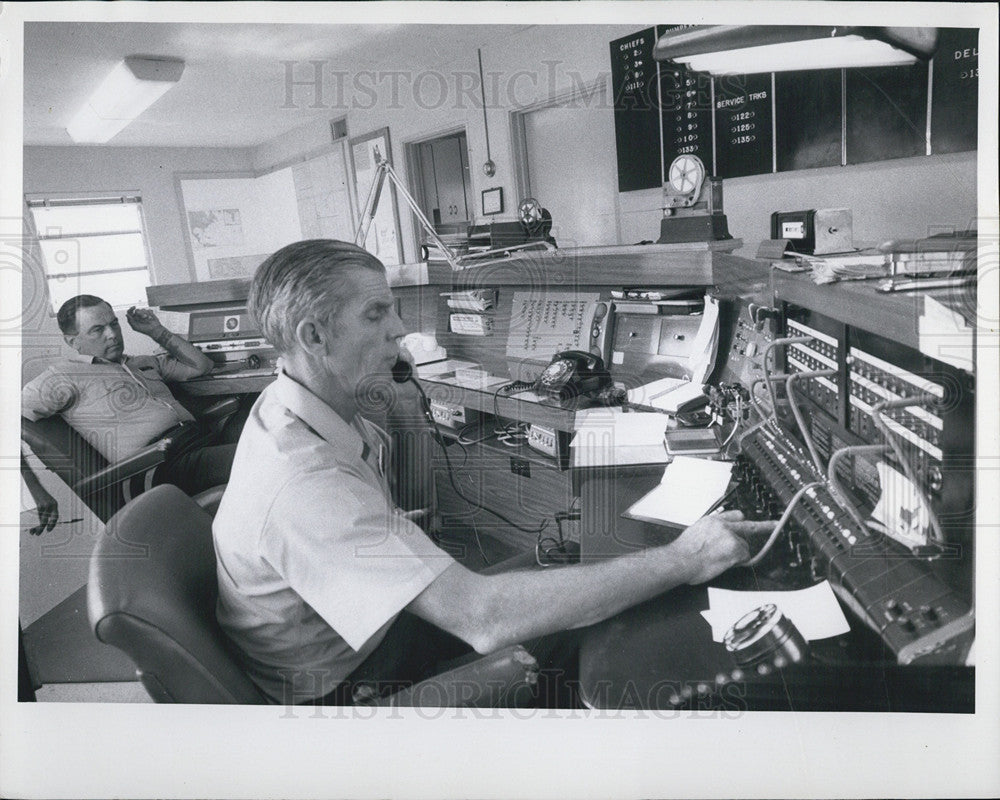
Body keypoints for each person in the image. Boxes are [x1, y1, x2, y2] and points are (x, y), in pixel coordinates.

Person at [213, 239, 775, 706]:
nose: (400, 330)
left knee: (571, 556)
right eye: (376, 314)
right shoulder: (303, 484)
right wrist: (687, 557)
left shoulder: (302, 406)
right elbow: (481, 619)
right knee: (607, 624)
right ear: (313, 337)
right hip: (345, 687)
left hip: (361, 628)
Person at [21, 294, 237, 523]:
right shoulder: (64, 376)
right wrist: (34, 491)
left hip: (197, 442)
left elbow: (201, 366)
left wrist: (155, 330)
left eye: (114, 323)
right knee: (261, 459)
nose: (112, 334)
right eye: (97, 330)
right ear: (73, 342)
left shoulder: (139, 363)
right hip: (159, 466)